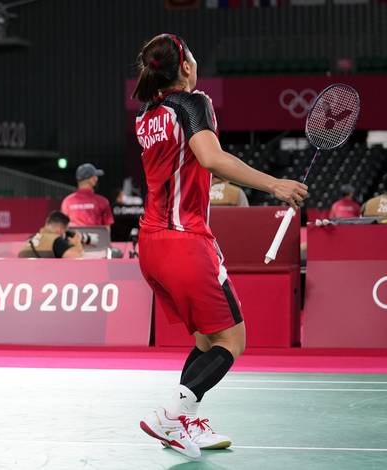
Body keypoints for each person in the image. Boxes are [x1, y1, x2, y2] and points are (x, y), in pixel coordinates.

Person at [131, 34, 308, 458]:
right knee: (233, 341)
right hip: (185, 242)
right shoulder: (192, 103)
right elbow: (211, 158)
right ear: (186, 68)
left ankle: (186, 422)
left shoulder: (146, 115)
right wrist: (274, 184)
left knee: (208, 341)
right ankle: (170, 415)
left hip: (151, 244)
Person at [61, 163, 115, 228]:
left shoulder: (67, 201)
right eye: (95, 176)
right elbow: (107, 229)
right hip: (96, 238)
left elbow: (62, 226)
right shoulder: (102, 201)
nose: (96, 178)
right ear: (92, 179)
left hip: (73, 237)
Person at [17, 211, 84, 258]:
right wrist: (77, 244)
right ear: (60, 229)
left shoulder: (30, 239)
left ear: (47, 223)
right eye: (65, 230)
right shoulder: (56, 241)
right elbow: (76, 258)